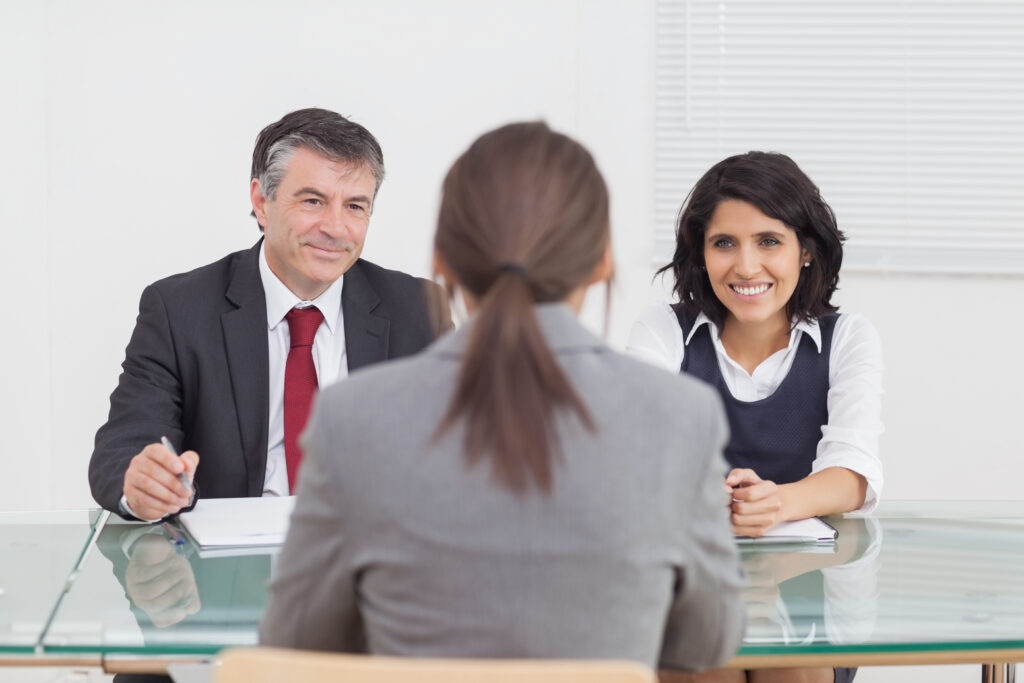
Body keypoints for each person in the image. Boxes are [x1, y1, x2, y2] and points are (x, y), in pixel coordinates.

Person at [260, 122, 746, 671]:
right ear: (602, 259)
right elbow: (707, 642)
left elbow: (298, 643)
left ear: (441, 258)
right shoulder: (680, 415)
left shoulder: (353, 418)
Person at [90, 108, 452, 523]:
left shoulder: (420, 311)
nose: (336, 227)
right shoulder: (179, 309)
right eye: (313, 201)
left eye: (355, 206)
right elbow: (124, 446)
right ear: (262, 202)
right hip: (228, 572)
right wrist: (144, 485)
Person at [628, 151, 883, 683]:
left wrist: (776, 502)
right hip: (688, 583)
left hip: (810, 588)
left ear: (806, 250)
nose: (746, 267)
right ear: (701, 253)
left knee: (788, 664)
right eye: (725, 243)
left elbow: (854, 474)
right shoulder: (662, 330)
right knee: (702, 653)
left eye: (769, 241)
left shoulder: (848, 337)